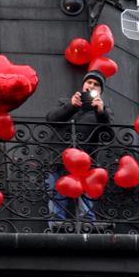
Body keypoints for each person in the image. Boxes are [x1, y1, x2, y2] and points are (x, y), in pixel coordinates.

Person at [45, 71, 113, 223]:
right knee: (56, 206)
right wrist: (72, 106)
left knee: (86, 209)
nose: (92, 86)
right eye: (89, 82)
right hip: (58, 158)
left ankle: (87, 229)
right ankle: (57, 231)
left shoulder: (104, 111)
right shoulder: (65, 102)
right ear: (83, 85)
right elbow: (51, 119)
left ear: (100, 90)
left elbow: (109, 135)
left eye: (96, 85)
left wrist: (101, 113)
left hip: (85, 164)